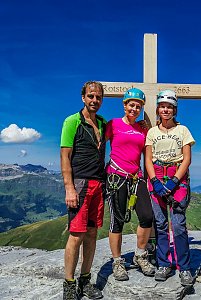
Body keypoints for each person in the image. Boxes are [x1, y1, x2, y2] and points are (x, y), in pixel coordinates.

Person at [60, 81, 106, 300]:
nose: (94, 100)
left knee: (92, 234)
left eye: (98, 97)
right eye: (90, 96)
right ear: (83, 97)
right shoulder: (72, 121)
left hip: (99, 184)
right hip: (79, 184)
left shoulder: (103, 124)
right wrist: (69, 188)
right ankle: (69, 285)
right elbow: (65, 157)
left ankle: (85, 280)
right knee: (76, 235)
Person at [145, 90, 195, 286]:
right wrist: (155, 181)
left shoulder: (183, 130)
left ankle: (184, 267)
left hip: (177, 179)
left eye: (169, 107)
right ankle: (164, 263)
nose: (166, 110)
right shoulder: (152, 132)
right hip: (156, 176)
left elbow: (187, 158)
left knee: (178, 225)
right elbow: (147, 159)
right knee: (160, 224)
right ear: (158, 109)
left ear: (174, 110)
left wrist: (174, 180)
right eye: (163, 106)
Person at [105, 87, 155, 281]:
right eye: (131, 105)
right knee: (117, 220)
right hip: (116, 177)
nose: (134, 108)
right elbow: (100, 146)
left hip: (136, 177)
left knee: (146, 216)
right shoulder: (113, 124)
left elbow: (147, 154)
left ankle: (140, 255)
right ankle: (117, 262)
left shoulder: (143, 129)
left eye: (138, 106)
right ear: (124, 105)